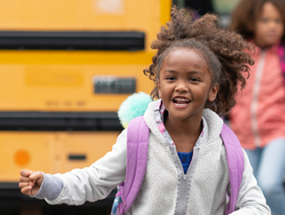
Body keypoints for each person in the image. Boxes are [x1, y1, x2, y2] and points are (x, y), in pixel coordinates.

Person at [19, 7, 271, 214]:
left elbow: (256, 206)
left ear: (213, 91)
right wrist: (48, 185)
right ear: (159, 86)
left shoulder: (226, 145)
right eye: (171, 78)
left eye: (194, 80)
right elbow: (94, 181)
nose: (181, 87)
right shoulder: (139, 136)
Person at [229, 0, 285, 215]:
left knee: (268, 184)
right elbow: (222, 90)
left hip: (281, 132)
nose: (272, 26)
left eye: (278, 21)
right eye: (265, 20)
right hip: (242, 135)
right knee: (245, 192)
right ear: (250, 22)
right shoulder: (239, 56)